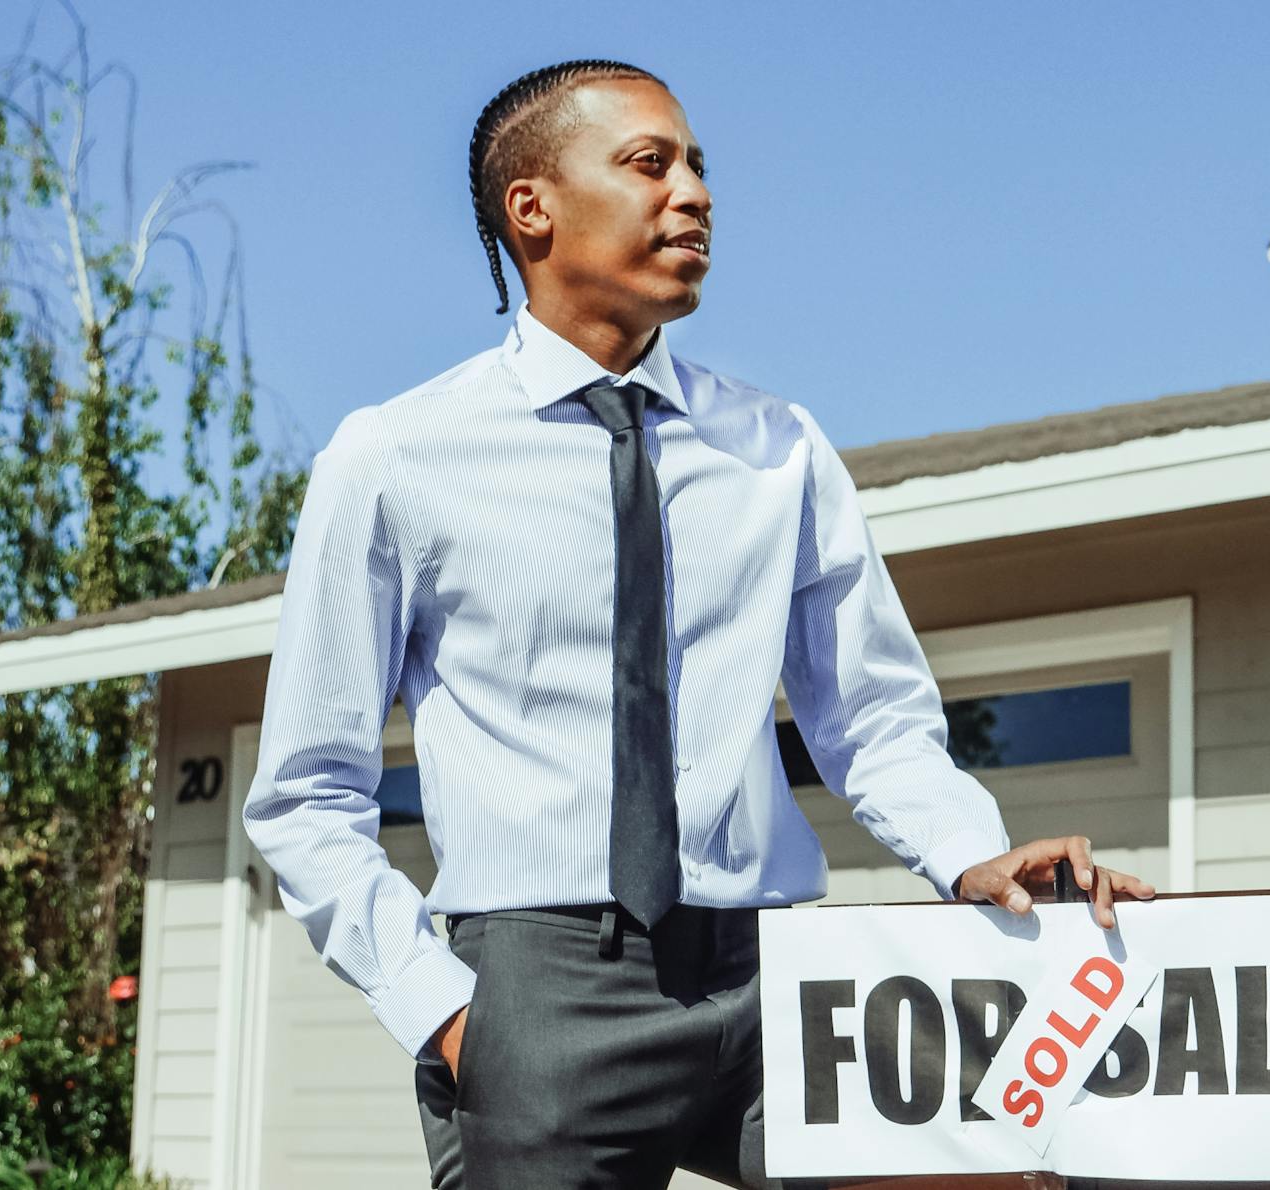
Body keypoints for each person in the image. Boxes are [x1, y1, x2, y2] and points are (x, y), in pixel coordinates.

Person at [242, 59, 1155, 1189]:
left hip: (778, 974)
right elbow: (304, 795)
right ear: (532, 207)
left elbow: (870, 719)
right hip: (540, 986)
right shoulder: (395, 458)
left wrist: (973, 855)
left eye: (699, 167)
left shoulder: (780, 447)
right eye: (648, 163)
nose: (695, 193)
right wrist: (449, 1014)